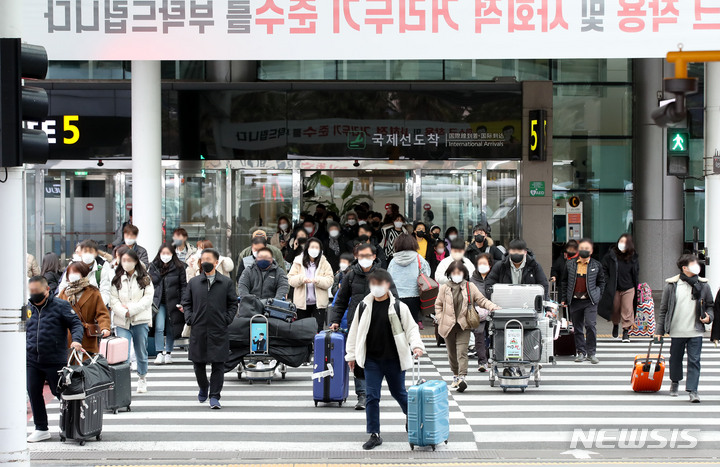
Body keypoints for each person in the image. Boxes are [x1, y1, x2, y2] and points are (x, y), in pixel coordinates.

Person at [345, 269, 425, 450]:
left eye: (380, 283)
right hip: (372, 360)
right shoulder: (364, 306)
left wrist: (417, 345)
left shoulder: (399, 307)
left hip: (394, 359)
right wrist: (351, 355)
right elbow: (354, 332)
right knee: (372, 396)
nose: (376, 287)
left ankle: (411, 417)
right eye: (373, 283)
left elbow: (411, 329)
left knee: (399, 393)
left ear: (387, 285)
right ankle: (374, 434)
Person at [330, 243, 399, 410]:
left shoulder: (383, 275)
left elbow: (395, 298)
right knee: (359, 357)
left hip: (379, 323)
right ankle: (363, 395)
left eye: (368, 256)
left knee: (374, 359)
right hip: (357, 322)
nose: (364, 259)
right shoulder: (351, 275)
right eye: (361, 256)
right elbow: (340, 301)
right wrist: (335, 320)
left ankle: (373, 391)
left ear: (374, 257)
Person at [26, 276, 84, 443]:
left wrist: (76, 340)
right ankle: (41, 428)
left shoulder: (61, 305)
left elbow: (76, 324)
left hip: (54, 358)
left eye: (37, 291)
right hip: (32, 358)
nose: (33, 294)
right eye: (31, 291)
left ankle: (76, 424)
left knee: (60, 393)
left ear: (47, 290)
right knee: (33, 391)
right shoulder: (27, 307)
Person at [181, 248, 237, 409]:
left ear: (216, 262)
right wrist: (190, 318)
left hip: (218, 329)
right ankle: (203, 386)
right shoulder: (194, 282)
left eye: (208, 259)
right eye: (202, 259)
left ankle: (214, 396)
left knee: (218, 364)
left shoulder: (225, 282)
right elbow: (187, 302)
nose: (205, 261)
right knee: (198, 363)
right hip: (198, 329)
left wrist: (226, 319)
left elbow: (233, 303)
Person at [656, 254, 714, 403]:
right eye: (694, 264)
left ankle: (693, 390)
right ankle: (675, 382)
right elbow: (663, 310)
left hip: (695, 330)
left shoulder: (704, 285)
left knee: (695, 360)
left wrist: (709, 318)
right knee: (675, 359)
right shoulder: (672, 285)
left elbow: (710, 305)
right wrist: (659, 331)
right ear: (684, 268)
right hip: (676, 330)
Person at [435, 261, 499, 391]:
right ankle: (455, 375)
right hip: (448, 326)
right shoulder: (444, 288)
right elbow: (438, 305)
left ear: (464, 274)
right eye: (454, 273)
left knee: (462, 352)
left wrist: (493, 306)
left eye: (459, 273)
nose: (456, 275)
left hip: (464, 325)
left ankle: (462, 378)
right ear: (449, 274)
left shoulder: (470, 287)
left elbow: (481, 300)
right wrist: (441, 318)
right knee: (452, 354)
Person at [109, 248, 154, 393]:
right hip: (122, 321)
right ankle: (124, 381)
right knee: (124, 353)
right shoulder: (116, 278)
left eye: (129, 261)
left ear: (135, 262)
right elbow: (113, 300)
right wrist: (123, 312)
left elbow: (147, 299)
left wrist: (130, 310)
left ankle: (142, 378)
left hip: (140, 319)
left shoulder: (144, 278)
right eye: (123, 261)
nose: (126, 263)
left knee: (141, 350)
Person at [560, 238, 606, 364]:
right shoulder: (570, 264)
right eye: (582, 248)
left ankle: (592, 353)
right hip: (575, 300)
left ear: (591, 251)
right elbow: (564, 282)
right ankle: (581, 352)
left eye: (587, 249)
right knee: (578, 328)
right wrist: (564, 298)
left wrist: (598, 295)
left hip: (590, 301)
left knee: (590, 325)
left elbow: (601, 282)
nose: (584, 251)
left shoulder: (596, 265)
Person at [58, 262, 112, 353]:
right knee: (69, 364)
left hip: (87, 337)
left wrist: (105, 327)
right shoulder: (64, 293)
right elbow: (56, 313)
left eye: (76, 273)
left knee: (87, 365)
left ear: (83, 274)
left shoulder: (94, 292)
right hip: (68, 338)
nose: (73, 275)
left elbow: (102, 313)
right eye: (70, 273)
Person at [149, 244, 188, 364]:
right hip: (158, 302)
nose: (165, 256)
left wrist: (183, 302)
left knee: (171, 328)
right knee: (159, 327)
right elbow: (150, 284)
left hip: (174, 301)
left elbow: (183, 286)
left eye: (168, 253)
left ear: (172, 254)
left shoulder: (179, 267)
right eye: (163, 253)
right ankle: (159, 352)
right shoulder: (153, 266)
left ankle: (169, 353)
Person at [598, 234, 639, 342]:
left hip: (629, 287)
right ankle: (615, 324)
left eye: (625, 242)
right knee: (615, 308)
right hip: (614, 287)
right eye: (621, 241)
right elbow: (603, 269)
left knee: (627, 309)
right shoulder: (611, 256)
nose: (622, 244)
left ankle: (626, 332)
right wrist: (607, 281)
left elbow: (636, 272)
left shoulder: (633, 257)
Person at [288, 238, 335, 333]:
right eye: (312, 247)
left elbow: (330, 280)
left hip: (319, 304)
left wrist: (317, 280)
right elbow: (290, 279)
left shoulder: (324, 262)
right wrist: (301, 279)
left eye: (317, 247)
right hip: (301, 304)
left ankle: (317, 347)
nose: (314, 249)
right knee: (302, 331)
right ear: (307, 248)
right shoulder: (298, 261)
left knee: (318, 330)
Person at [387, 233, 431, 329]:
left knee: (398, 326)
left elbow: (388, 278)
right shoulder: (419, 259)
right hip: (414, 296)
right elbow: (427, 274)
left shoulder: (393, 261)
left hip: (397, 297)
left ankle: (401, 343)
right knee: (413, 324)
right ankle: (412, 343)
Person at [486, 238, 550, 299]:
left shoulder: (534, 266)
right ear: (509, 252)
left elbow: (544, 286)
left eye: (519, 251)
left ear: (525, 252)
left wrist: (546, 306)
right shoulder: (500, 266)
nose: (516, 253)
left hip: (529, 304)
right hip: (505, 303)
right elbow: (489, 284)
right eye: (513, 251)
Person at [58, 240, 111, 305]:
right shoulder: (72, 266)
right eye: (85, 251)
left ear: (96, 253)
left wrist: (95, 306)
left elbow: (105, 292)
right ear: (80, 253)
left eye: (91, 251)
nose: (88, 254)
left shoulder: (101, 270)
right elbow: (63, 286)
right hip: (73, 308)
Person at [470, 252, 494, 371]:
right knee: (479, 335)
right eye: (480, 264)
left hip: (493, 311)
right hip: (478, 312)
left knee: (493, 334)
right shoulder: (472, 279)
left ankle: (492, 358)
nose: (482, 266)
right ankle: (482, 361)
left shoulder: (494, 277)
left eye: (485, 263)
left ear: (490, 265)